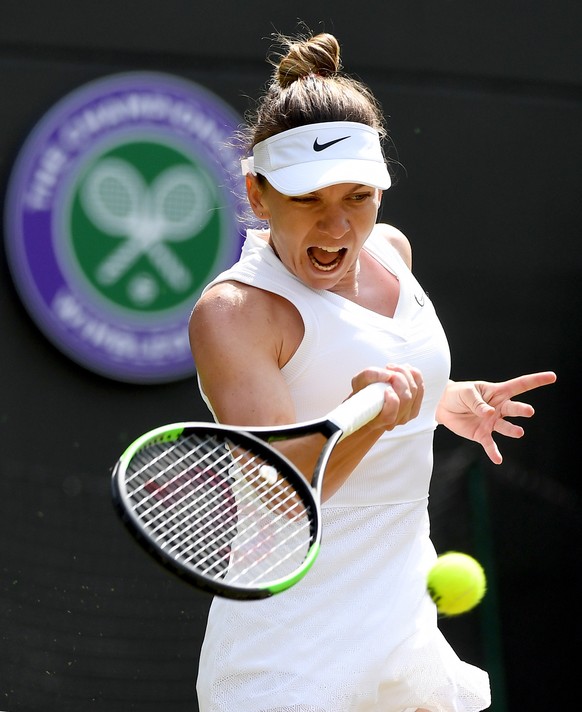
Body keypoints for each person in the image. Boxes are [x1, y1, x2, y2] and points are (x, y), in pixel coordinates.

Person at [189, 30, 556, 712]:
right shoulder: (234, 313)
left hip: (402, 627)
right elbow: (280, 491)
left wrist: (444, 400)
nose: (337, 226)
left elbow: (370, 363)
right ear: (258, 194)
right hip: (288, 651)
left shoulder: (392, 252)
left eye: (357, 196)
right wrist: (368, 420)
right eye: (309, 199)